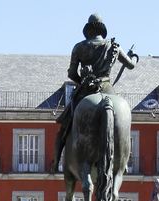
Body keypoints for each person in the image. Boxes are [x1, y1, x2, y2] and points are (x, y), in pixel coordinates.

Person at [52, 14, 137, 171]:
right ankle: (123, 162)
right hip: (107, 89)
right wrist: (134, 57)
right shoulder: (114, 46)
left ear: (88, 30)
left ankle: (56, 162)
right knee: (123, 121)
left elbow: (71, 73)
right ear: (102, 29)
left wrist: (83, 82)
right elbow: (131, 65)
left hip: (85, 92)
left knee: (64, 128)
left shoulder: (79, 47)